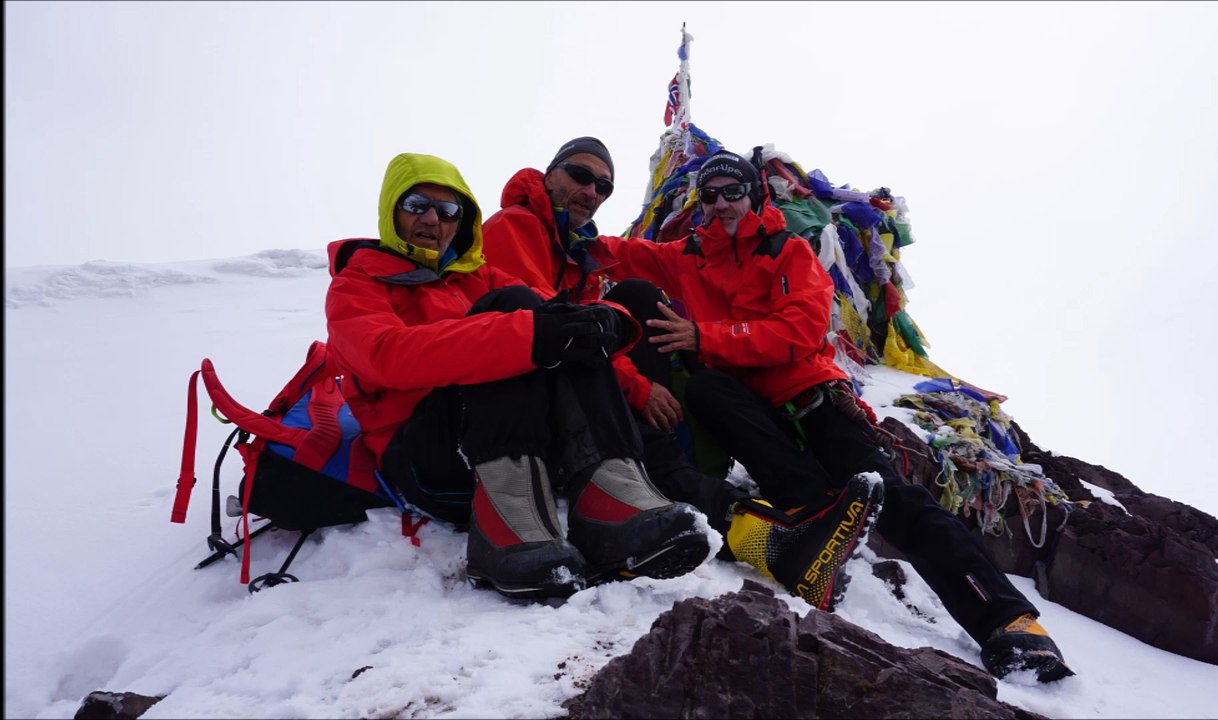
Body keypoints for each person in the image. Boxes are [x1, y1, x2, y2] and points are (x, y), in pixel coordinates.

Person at [595, 149, 1074, 682]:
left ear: (755, 193)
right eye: (710, 195)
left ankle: (1010, 623)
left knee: (898, 504)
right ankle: (812, 532)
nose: (722, 203)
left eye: (734, 190)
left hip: (811, 396)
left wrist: (706, 336)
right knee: (707, 388)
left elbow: (801, 329)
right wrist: (558, 223)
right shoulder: (688, 256)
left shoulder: (788, 252)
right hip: (750, 412)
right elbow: (615, 254)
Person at [481, 138, 883, 613]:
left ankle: (777, 531)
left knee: (637, 305)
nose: (592, 191)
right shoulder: (515, 227)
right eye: (580, 176)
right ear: (550, 175)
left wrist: (679, 353)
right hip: (529, 401)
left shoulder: (576, 251)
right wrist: (637, 384)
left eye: (604, 186)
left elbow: (802, 327)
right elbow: (552, 327)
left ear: (755, 195)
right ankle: (765, 533)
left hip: (784, 381)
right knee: (650, 380)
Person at [323, 151, 713, 600]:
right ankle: (503, 533)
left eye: (448, 211)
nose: (433, 219)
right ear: (392, 211)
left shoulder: (479, 276)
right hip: (427, 458)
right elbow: (386, 356)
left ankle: (610, 501)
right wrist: (525, 334)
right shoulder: (358, 284)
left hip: (507, 445)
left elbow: (549, 309)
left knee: (561, 325)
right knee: (514, 319)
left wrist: (612, 320)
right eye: (417, 206)